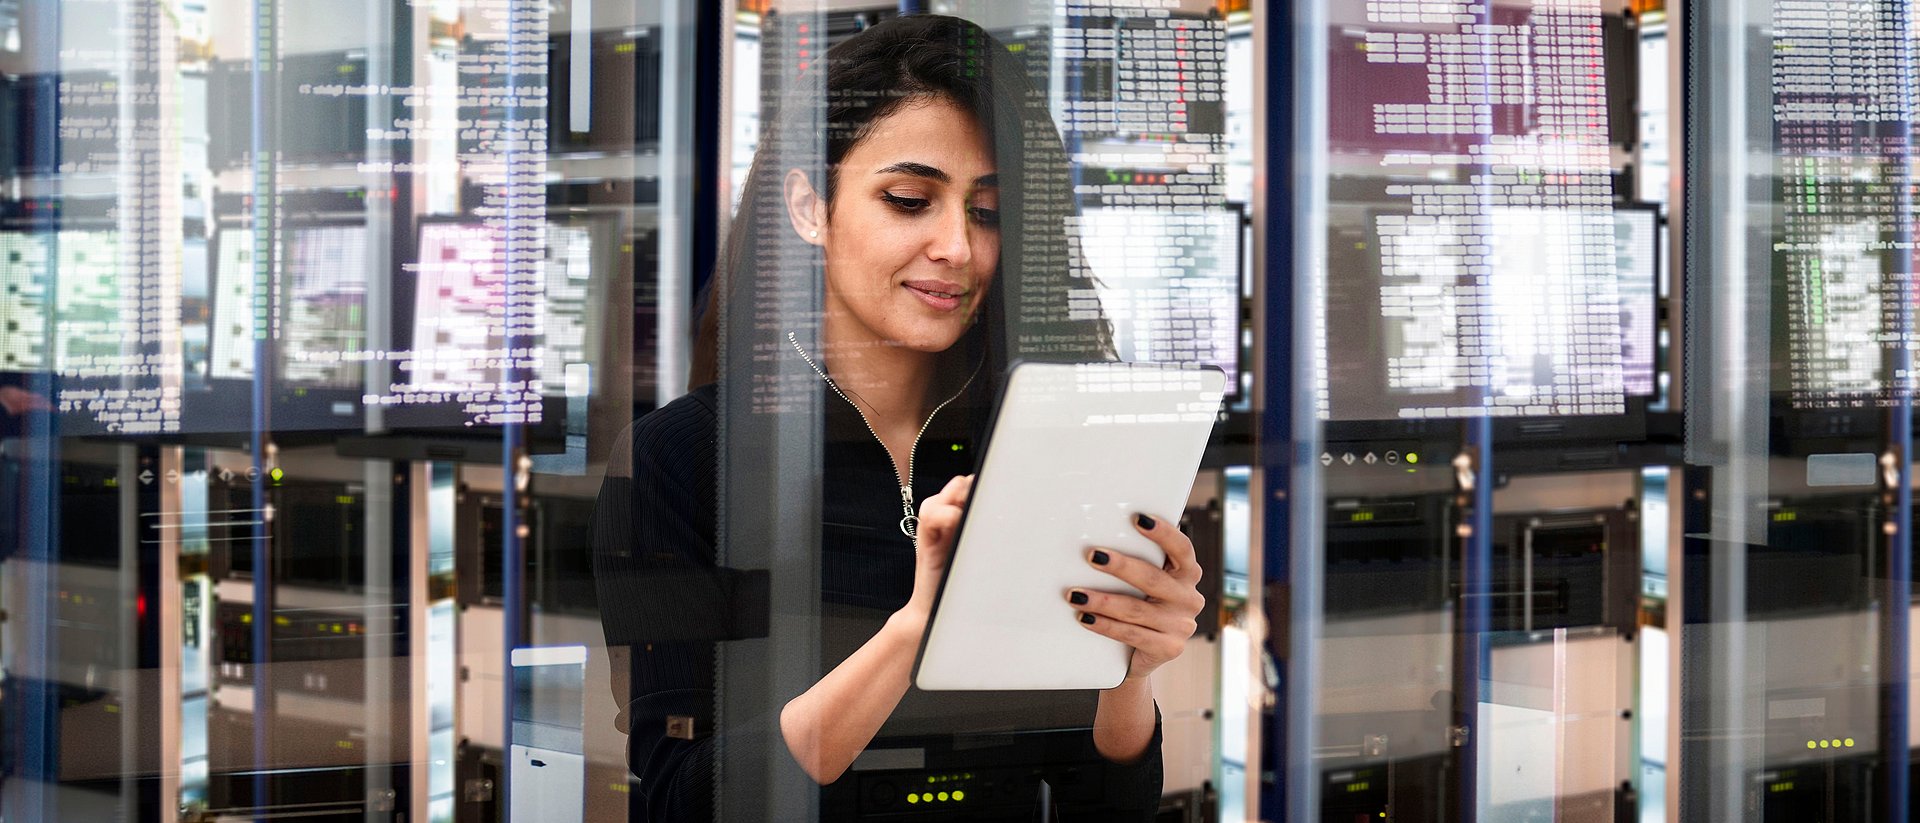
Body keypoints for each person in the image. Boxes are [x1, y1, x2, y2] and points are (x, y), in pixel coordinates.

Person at [593, 14, 1206, 821]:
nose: (956, 245)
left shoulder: (1049, 443)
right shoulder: (681, 458)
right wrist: (914, 634)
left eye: (987, 211)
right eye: (910, 200)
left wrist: (1131, 672)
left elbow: (1109, 802)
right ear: (811, 207)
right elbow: (682, 798)